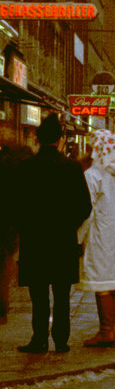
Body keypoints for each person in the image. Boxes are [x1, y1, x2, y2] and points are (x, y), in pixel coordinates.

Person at [13, 114, 92, 353]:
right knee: (61, 293)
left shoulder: (26, 168)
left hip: (35, 240)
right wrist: (69, 224)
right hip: (62, 240)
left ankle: (38, 339)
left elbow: (15, 204)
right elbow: (85, 206)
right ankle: (61, 339)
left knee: (38, 294)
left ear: (38, 139)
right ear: (60, 140)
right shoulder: (71, 168)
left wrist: (25, 226)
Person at [77, 129, 115, 348]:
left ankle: (106, 330)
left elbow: (87, 208)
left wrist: (79, 236)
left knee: (102, 282)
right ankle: (112, 327)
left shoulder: (94, 175)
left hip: (101, 233)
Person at [0, 124, 32, 325]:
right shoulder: (21, 165)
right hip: (12, 221)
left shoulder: (6, 163)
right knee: (5, 264)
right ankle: (2, 308)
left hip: (8, 220)